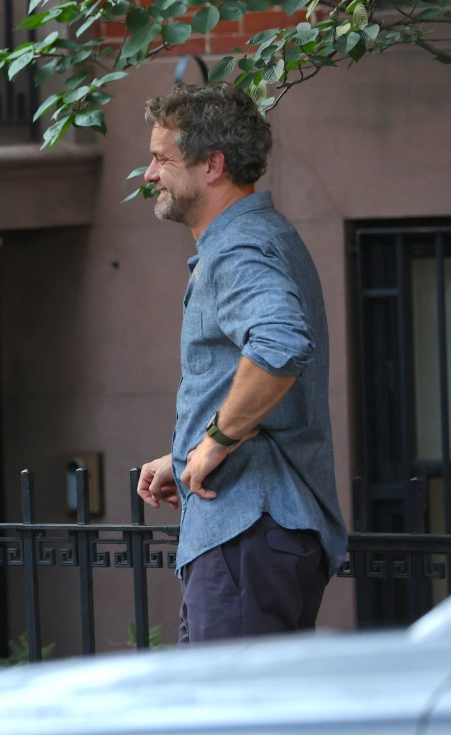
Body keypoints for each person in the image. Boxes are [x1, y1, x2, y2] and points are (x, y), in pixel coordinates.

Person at [134, 83, 348, 644]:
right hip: (261, 535)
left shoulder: (237, 249)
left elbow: (278, 345)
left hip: (248, 534)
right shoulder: (265, 236)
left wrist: (215, 442)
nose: (149, 174)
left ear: (213, 165)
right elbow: (256, 374)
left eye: (161, 159)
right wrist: (187, 449)